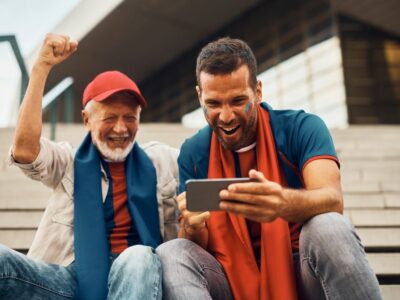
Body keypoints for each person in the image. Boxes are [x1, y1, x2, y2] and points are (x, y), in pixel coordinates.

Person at [156, 37, 383, 300]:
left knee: (329, 226)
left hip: (303, 270)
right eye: (214, 104)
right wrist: (192, 227)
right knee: (171, 252)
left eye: (238, 101)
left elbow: (333, 200)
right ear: (199, 96)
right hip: (229, 277)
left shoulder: (302, 128)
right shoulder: (193, 152)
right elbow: (195, 245)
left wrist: (282, 203)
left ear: (258, 91)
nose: (226, 116)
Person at [0, 33, 179, 300]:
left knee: (140, 255)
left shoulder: (163, 161)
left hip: (136, 277)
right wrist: (41, 68)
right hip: (70, 282)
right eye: (110, 118)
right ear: (86, 120)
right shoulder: (68, 162)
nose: (120, 128)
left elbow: (210, 160)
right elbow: (26, 150)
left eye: (129, 118)